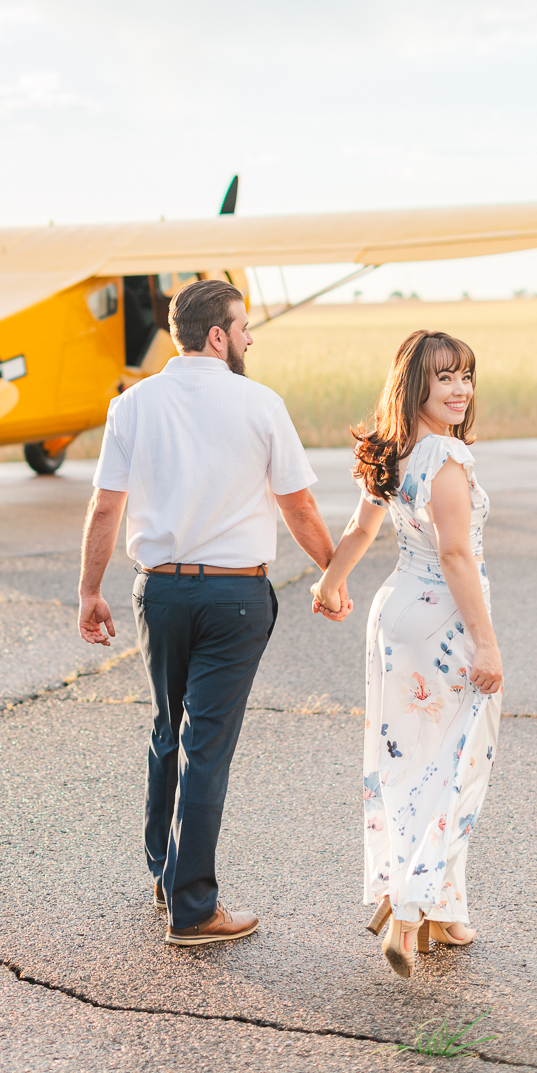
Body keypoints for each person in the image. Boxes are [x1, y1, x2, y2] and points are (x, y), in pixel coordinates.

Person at [78, 277, 350, 946]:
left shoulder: (133, 404)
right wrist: (333, 573)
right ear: (219, 335)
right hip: (233, 598)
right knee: (206, 748)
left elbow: (106, 506)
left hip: (159, 592)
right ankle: (194, 909)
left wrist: (89, 590)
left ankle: (165, 873)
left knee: (168, 729)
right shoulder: (260, 403)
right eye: (244, 325)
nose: (251, 336)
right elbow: (299, 507)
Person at [312, 330, 503, 980]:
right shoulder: (447, 457)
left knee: (407, 765)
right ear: (415, 385)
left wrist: (331, 581)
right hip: (443, 623)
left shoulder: (392, 452)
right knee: (455, 765)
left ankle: (429, 906)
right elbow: (454, 555)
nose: (460, 390)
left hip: (394, 618)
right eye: (444, 378)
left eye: (466, 377)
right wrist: (487, 641)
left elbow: (360, 528)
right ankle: (414, 909)